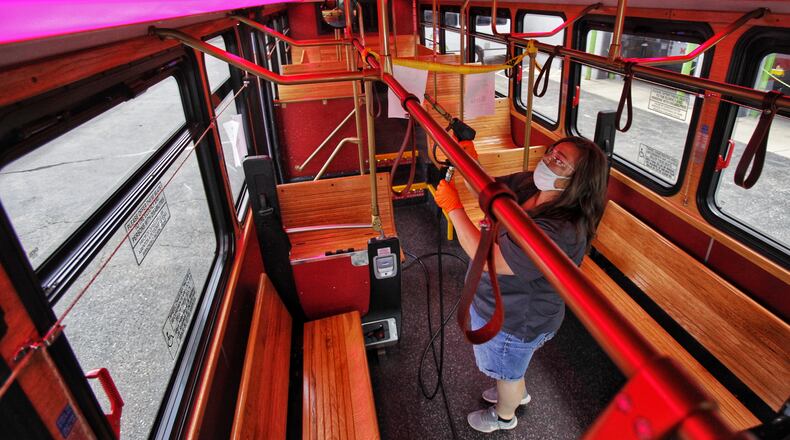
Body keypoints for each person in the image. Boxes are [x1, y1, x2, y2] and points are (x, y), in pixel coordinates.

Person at [434, 136, 609, 433]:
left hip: (516, 321)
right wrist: (469, 163)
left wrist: (453, 209)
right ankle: (514, 387)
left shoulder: (562, 229)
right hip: (502, 306)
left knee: (507, 370)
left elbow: (488, 258)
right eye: (551, 152)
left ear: (578, 181)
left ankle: (504, 415)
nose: (548, 160)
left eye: (559, 161)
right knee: (510, 368)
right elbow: (489, 192)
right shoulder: (532, 186)